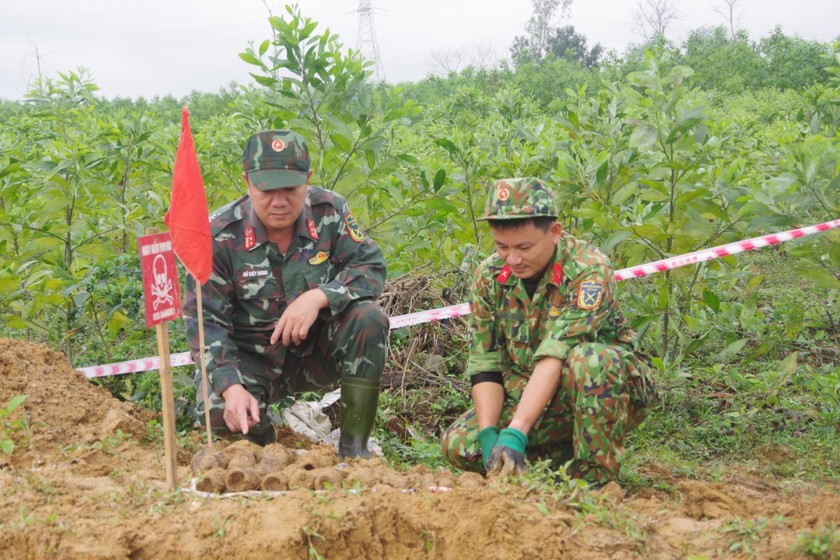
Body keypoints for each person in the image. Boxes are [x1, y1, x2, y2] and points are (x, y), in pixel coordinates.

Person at [183, 130, 388, 458]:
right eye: (267, 190)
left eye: (290, 189)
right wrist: (231, 388)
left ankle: (354, 449)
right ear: (247, 182)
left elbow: (371, 267)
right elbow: (206, 325)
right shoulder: (219, 236)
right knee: (221, 413)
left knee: (369, 318)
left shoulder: (329, 212)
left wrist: (319, 296)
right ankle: (269, 442)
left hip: (316, 353)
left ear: (307, 180)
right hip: (252, 361)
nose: (279, 202)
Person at [441, 177, 656, 485]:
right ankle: (554, 464)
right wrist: (490, 434)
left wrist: (515, 432)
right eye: (502, 247)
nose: (513, 259)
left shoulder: (587, 269)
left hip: (605, 389)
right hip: (534, 391)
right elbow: (486, 362)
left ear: (554, 232)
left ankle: (598, 482)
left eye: (524, 247)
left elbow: (557, 353)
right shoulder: (489, 276)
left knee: (589, 360)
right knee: (459, 444)